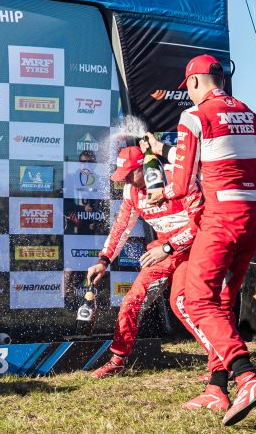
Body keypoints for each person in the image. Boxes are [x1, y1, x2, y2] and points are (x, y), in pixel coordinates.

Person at [147, 54, 256, 426]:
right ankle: (217, 387)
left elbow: (184, 181)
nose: (188, 93)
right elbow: (216, 156)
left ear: (195, 82)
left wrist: (164, 193)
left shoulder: (193, 116)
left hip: (222, 215)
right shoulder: (247, 113)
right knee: (222, 301)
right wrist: (163, 151)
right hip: (254, 212)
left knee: (196, 299)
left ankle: (246, 376)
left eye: (188, 87)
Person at [85, 141, 198, 379]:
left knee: (181, 302)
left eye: (129, 175)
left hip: (193, 247)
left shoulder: (176, 176)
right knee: (131, 301)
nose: (126, 181)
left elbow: (201, 221)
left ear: (144, 168)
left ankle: (221, 361)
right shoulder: (131, 191)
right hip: (163, 249)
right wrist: (103, 260)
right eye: (123, 177)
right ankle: (118, 360)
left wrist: (169, 246)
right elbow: (121, 227)